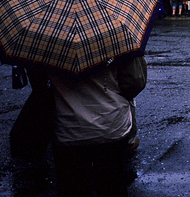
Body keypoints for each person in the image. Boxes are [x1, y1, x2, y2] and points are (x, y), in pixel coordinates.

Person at [50, 55, 147, 197]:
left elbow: (39, 85)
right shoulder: (116, 38)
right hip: (109, 125)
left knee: (72, 187)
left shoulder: (48, 44)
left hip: (68, 128)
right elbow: (134, 82)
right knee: (111, 184)